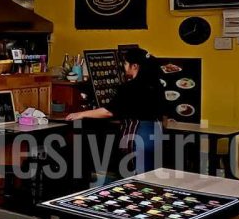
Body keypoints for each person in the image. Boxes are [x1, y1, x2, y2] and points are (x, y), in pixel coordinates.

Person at [66, 47, 167, 182]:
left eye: (126, 63)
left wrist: (81, 114)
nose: (124, 67)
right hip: (156, 132)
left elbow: (108, 111)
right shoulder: (157, 85)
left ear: (135, 66)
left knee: (136, 178)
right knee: (151, 176)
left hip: (138, 134)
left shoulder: (129, 87)